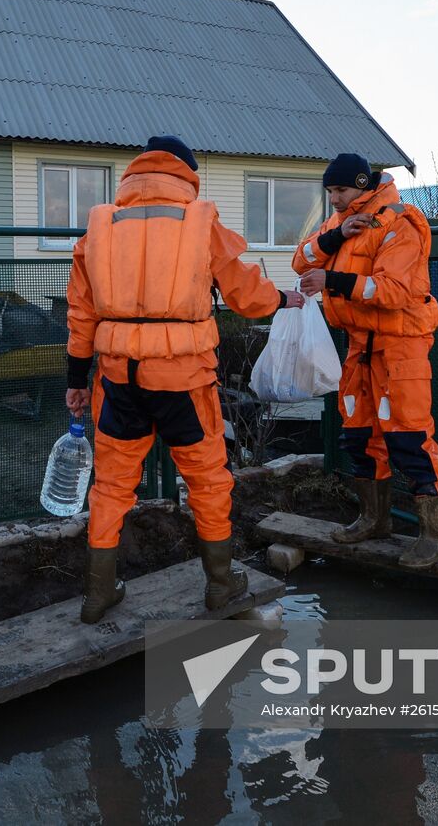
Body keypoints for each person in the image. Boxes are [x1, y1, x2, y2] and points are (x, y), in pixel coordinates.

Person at [65, 135, 307, 623]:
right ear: (185, 173)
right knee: (207, 480)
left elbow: (80, 313)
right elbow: (244, 293)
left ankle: (98, 592)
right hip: (183, 378)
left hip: (118, 378)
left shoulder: (101, 226)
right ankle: (220, 584)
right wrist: (283, 298)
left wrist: (76, 378)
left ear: (138, 172)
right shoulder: (199, 221)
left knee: (111, 485)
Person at [293, 152, 438, 568]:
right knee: (359, 435)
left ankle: (434, 534)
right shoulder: (339, 222)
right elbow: (300, 259)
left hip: (400, 346)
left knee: (409, 437)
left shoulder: (401, 223)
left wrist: (333, 279)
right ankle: (374, 519)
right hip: (359, 346)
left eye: (340, 190)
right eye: (330, 191)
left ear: (362, 185)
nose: (333, 199)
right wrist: (334, 237)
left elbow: (394, 291)